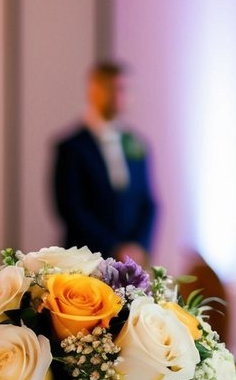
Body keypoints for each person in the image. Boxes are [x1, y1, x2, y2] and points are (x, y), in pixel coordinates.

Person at [52, 60, 157, 267]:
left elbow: (148, 202)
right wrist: (114, 247)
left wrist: (138, 246)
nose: (121, 96)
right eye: (114, 88)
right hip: (84, 261)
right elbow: (72, 209)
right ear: (94, 90)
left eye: (126, 89)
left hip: (130, 263)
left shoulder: (137, 144)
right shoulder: (72, 148)